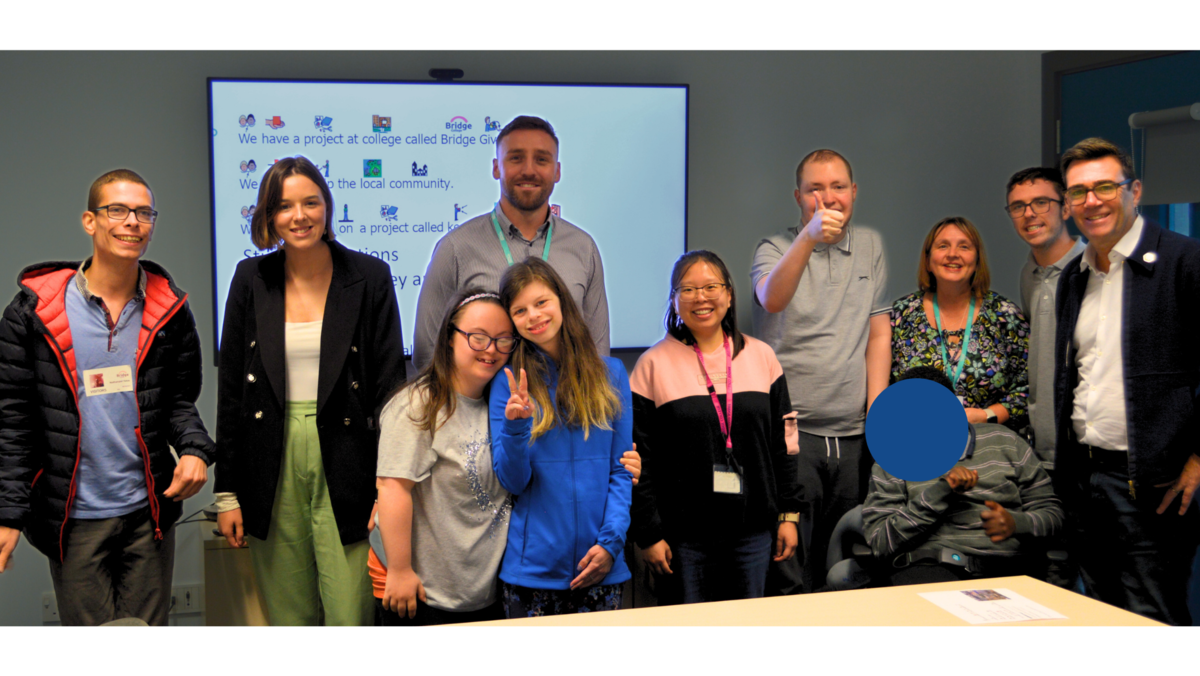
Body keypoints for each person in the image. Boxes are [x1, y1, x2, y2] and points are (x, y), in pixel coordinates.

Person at [0, 169, 214, 625]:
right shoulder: (33, 312)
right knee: (93, 655)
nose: (132, 221)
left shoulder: (169, 308)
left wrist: (194, 449)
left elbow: (178, 400)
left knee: (146, 648)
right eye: (117, 210)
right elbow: (13, 422)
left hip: (148, 514)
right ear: (90, 221)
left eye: (143, 212)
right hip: (73, 518)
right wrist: (8, 513)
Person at [371, 287, 642, 625]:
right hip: (426, 592)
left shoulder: (498, 400)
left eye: (503, 340)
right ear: (449, 338)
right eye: (478, 338)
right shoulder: (418, 405)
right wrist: (399, 569)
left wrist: (620, 462)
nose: (492, 350)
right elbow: (394, 486)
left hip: (486, 592)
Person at [213, 156, 406, 626]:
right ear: (268, 217)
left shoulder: (370, 277)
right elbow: (232, 391)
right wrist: (226, 493)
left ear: (327, 206)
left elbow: (389, 391)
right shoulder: (249, 278)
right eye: (284, 206)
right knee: (289, 619)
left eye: (310, 202)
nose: (299, 216)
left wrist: (389, 486)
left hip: (350, 459)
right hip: (269, 458)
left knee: (351, 613)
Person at [1053, 137, 1200, 625]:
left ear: (1134, 190)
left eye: (1104, 187)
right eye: (1078, 192)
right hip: (1085, 481)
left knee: (1152, 620)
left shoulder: (1184, 261)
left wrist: (1199, 458)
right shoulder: (1074, 277)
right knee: (1101, 615)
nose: (1091, 201)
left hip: (1153, 483)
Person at [751, 149, 890, 594]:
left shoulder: (870, 246)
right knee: (790, 563)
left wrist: (878, 416)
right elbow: (772, 298)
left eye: (837, 187)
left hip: (852, 434)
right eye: (814, 189)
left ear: (854, 192)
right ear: (798, 196)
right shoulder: (774, 247)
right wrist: (807, 239)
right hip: (794, 433)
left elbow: (878, 335)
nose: (827, 198)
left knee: (846, 563)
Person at [632, 250, 801, 603]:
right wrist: (648, 534)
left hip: (753, 531)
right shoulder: (652, 365)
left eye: (711, 286)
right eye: (688, 289)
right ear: (674, 300)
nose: (701, 297)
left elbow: (783, 445)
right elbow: (639, 460)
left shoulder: (762, 357)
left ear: (728, 294)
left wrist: (789, 514)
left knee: (748, 629)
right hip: (683, 537)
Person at [490, 257, 631, 617]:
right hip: (531, 572)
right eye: (520, 310)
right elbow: (513, 481)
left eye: (541, 303)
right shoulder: (508, 385)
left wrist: (610, 544)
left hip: (602, 566)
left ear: (561, 301)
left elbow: (621, 470)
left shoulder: (611, 374)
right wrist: (517, 426)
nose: (533, 316)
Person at [412, 115, 610, 370]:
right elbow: (427, 355)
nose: (529, 170)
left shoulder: (584, 248)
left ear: (557, 170)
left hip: (567, 408)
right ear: (496, 167)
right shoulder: (456, 248)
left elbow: (598, 353)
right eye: (516, 158)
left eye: (542, 159)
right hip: (481, 409)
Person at [862, 366, 1064, 586]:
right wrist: (941, 491)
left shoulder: (1007, 441)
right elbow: (881, 542)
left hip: (1012, 571)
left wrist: (1018, 523)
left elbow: (1053, 516)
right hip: (932, 570)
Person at [891, 216, 1029, 431]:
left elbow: (1027, 389)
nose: (953, 254)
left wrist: (986, 416)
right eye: (943, 246)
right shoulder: (901, 315)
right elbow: (884, 390)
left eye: (964, 247)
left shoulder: (1005, 315)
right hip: (915, 441)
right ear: (928, 260)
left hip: (988, 443)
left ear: (977, 260)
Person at [1006, 167, 1086, 472]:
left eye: (1041, 202)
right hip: (1040, 451)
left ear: (1065, 207)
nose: (1029, 214)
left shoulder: (1091, 271)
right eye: (1018, 206)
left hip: (1084, 452)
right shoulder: (1028, 274)